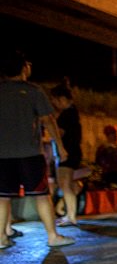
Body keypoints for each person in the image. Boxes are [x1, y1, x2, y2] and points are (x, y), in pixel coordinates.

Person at [0, 50, 75, 248]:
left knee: (2, 197)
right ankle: (52, 236)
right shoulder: (33, 91)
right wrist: (60, 147)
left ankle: (0, 238)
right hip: (30, 153)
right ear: (24, 68)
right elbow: (49, 121)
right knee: (41, 195)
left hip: (2, 155)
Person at [50, 79, 83, 227]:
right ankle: (70, 214)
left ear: (62, 99)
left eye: (54, 100)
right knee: (67, 184)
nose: (54, 104)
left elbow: (60, 133)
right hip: (73, 151)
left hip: (67, 152)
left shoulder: (67, 114)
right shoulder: (73, 112)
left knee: (65, 184)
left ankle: (70, 215)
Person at [95, 124, 117, 208]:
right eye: (112, 133)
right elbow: (99, 161)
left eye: (115, 133)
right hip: (110, 173)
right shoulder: (103, 148)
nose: (115, 135)